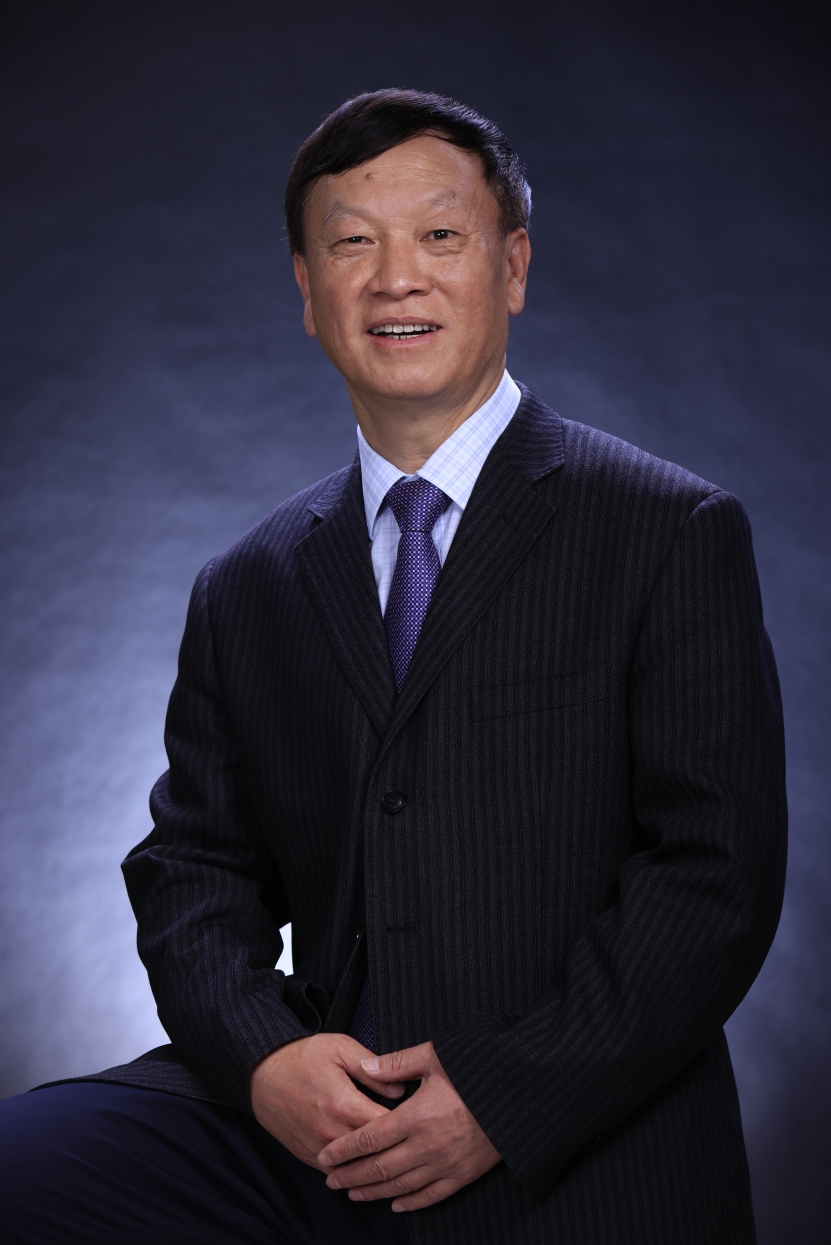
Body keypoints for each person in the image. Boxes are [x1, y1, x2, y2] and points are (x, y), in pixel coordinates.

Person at [0, 89, 787, 1245]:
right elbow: (193, 870)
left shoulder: (665, 531)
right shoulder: (249, 582)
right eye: (352, 244)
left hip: (566, 1127)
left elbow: (715, 876)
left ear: (512, 268)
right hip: (318, 1123)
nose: (395, 278)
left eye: (440, 234)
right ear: (306, 291)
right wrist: (266, 1060)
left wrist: (503, 1095)